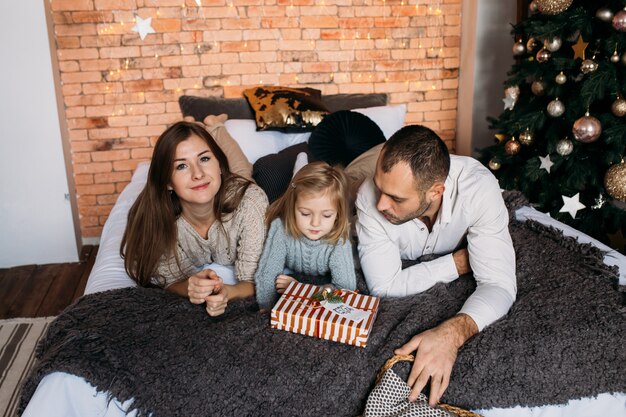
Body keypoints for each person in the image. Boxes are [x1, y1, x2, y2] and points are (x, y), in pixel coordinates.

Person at [355, 125, 516, 406]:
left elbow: (499, 285)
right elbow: (384, 285)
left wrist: (451, 334)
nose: (380, 204)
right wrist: (455, 263)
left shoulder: (479, 189)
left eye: (396, 198)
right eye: (381, 189)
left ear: (436, 191)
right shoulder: (369, 196)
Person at [121, 120, 268, 316]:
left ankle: (216, 126)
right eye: (181, 166)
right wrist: (190, 286)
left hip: (233, 190)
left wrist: (229, 292)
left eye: (205, 159)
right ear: (167, 182)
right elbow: (169, 278)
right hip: (217, 186)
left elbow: (254, 279)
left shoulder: (249, 203)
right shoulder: (156, 219)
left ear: (219, 166)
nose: (197, 173)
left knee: (242, 170)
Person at [254, 161, 357, 310]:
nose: (315, 223)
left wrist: (299, 290)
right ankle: (300, 169)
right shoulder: (280, 228)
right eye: (305, 213)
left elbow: (346, 290)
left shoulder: (339, 239)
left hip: (327, 272)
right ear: (292, 208)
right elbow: (267, 274)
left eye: (327, 215)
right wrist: (267, 308)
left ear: (337, 215)